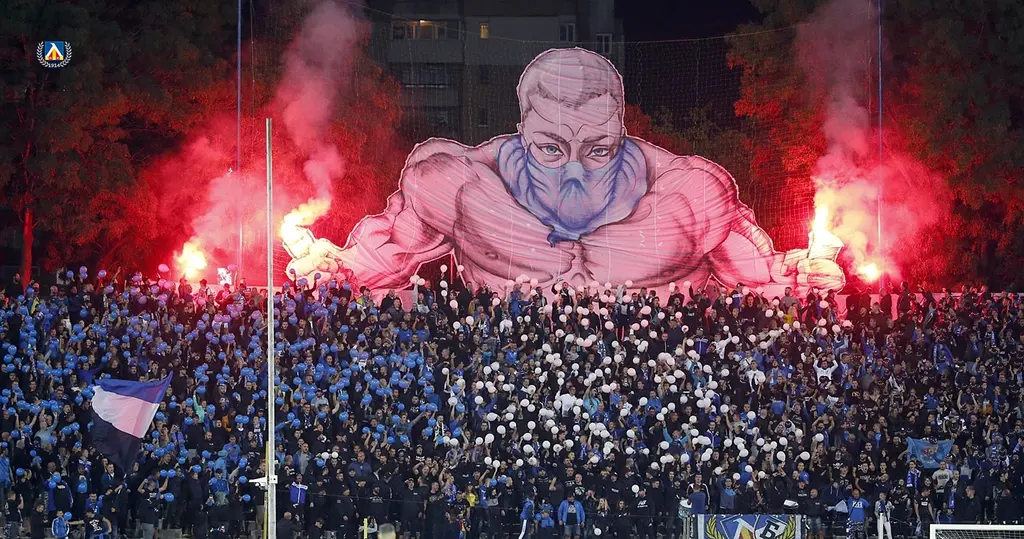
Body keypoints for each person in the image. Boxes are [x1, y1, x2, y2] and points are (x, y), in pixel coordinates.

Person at [282, 48, 845, 297]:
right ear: (523, 130)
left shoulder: (689, 191)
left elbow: (765, 276)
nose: (574, 171)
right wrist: (331, 268)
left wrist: (806, 274)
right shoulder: (458, 183)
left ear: (621, 130)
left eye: (597, 149)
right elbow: (385, 255)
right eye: (551, 148)